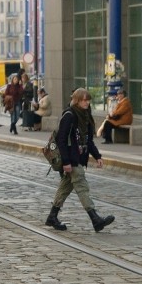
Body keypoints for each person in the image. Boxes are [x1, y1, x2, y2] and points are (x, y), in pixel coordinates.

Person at [44, 88, 115, 233]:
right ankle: (95, 219)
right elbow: (62, 140)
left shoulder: (86, 116)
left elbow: (88, 141)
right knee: (82, 186)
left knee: (65, 188)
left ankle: (52, 216)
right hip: (71, 158)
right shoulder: (69, 115)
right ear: (77, 100)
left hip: (79, 157)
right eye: (84, 100)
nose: (87, 102)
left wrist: (97, 156)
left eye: (88, 100)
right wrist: (66, 162)